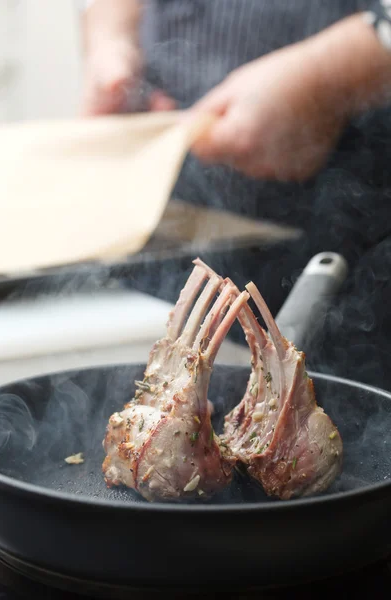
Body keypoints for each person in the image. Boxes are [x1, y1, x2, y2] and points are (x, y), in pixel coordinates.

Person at [78, 0, 391, 390]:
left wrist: (333, 76)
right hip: (182, 222)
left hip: (357, 226)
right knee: (167, 401)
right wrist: (113, 41)